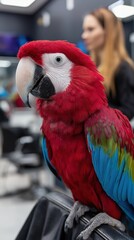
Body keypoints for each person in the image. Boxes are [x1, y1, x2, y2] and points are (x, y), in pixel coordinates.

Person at [81, 8, 134, 121]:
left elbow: (129, 110)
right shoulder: (91, 67)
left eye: (90, 29)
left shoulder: (122, 68)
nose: (84, 36)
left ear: (107, 31)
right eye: (84, 30)